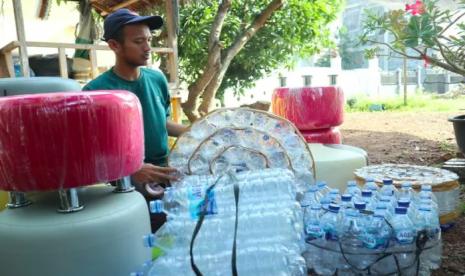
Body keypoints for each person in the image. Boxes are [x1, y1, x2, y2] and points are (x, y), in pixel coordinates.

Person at [83, 9, 188, 231]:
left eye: (149, 40)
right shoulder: (96, 92)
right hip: (126, 183)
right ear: (115, 45)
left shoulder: (157, 78)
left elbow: (162, 123)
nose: (148, 48)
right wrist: (131, 170)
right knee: (153, 238)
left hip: (165, 171)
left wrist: (200, 131)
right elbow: (90, 151)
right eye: (139, 41)